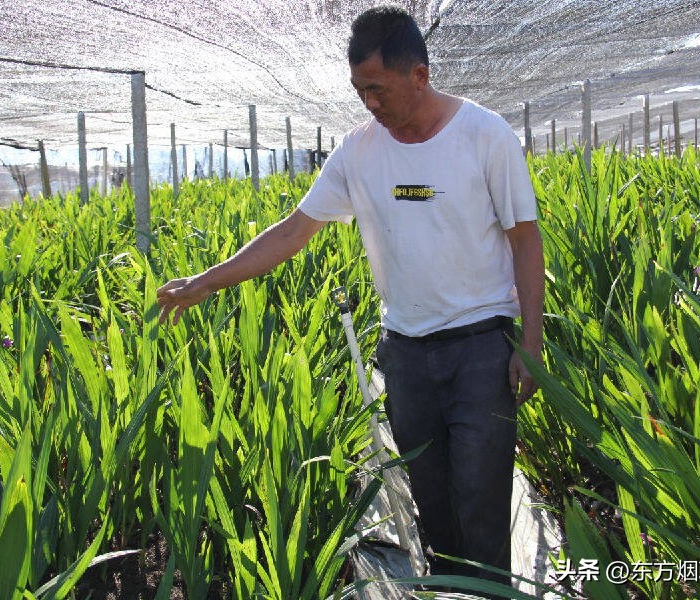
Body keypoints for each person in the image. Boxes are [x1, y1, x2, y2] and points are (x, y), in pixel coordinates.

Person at [156, 5, 544, 597]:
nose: (369, 103)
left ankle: (490, 591)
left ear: (419, 74)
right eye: (360, 90)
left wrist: (532, 344)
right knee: (430, 494)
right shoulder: (359, 152)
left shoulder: (484, 136)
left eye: (378, 89)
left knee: (482, 494)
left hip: (481, 347)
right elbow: (293, 230)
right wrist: (207, 280)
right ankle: (449, 589)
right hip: (406, 352)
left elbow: (524, 237)